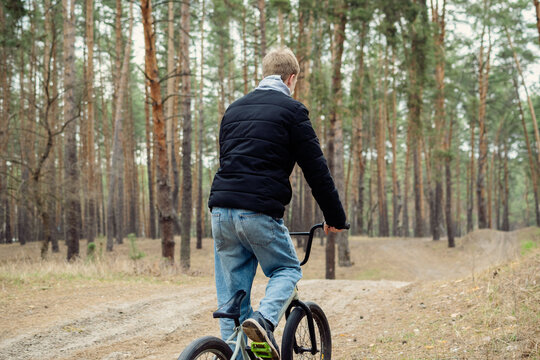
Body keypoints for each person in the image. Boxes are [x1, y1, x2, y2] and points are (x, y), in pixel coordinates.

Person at [208, 47, 347, 360]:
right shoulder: (292, 111)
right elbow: (317, 170)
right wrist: (335, 216)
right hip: (257, 212)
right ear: (292, 77)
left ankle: (234, 350)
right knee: (286, 268)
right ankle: (264, 320)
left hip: (220, 212)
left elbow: (228, 160)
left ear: (265, 73)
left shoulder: (233, 109)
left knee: (233, 303)